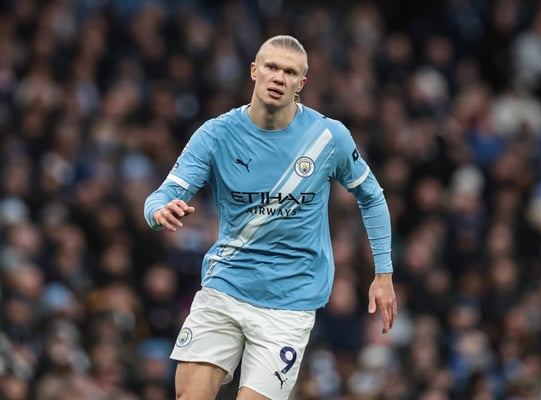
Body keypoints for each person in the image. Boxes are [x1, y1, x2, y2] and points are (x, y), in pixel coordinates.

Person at [144, 35, 397, 400]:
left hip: (289, 302)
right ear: (254, 71)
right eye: (271, 67)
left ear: (301, 83)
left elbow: (371, 196)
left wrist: (384, 273)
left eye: (289, 72)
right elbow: (165, 193)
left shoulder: (328, 137)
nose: (279, 77)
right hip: (226, 287)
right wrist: (157, 212)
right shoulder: (217, 134)